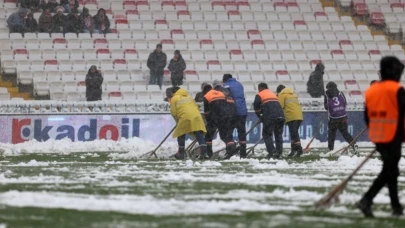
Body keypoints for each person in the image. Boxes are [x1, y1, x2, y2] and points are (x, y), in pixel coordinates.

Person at [357, 56, 405, 218]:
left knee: (391, 171)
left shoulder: (371, 91)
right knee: (389, 171)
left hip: (378, 137)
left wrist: (375, 134)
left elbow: (367, 116)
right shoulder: (396, 90)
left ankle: (396, 206)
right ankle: (367, 199)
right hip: (394, 136)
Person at [168, 87, 208, 160]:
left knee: (181, 134)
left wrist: (177, 121)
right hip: (196, 116)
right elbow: (196, 107)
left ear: (174, 92)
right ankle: (204, 153)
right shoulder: (189, 97)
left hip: (184, 117)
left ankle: (181, 153)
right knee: (199, 134)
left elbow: (173, 112)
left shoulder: (174, 98)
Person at [203, 84, 237, 159]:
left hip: (216, 116)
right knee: (224, 134)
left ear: (205, 91)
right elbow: (226, 104)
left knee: (208, 135)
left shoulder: (206, 96)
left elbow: (206, 113)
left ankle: (209, 153)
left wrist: (210, 122)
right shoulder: (221, 93)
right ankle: (232, 149)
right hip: (226, 115)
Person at [324, 82, 358, 154]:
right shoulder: (341, 93)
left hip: (333, 118)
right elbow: (345, 103)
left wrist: (332, 109)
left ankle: (331, 149)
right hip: (343, 117)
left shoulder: (326, 95)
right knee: (345, 133)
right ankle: (354, 144)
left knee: (331, 134)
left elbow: (326, 107)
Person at [254, 83, 285, 159]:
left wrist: (260, 117)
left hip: (270, 116)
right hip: (281, 115)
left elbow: (256, 107)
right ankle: (279, 152)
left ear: (260, 88)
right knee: (278, 134)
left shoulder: (260, 94)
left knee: (266, 134)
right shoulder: (272, 94)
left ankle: (272, 152)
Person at [223, 74, 248, 158]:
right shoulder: (239, 84)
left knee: (228, 131)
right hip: (242, 110)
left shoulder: (226, 86)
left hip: (233, 111)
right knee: (242, 132)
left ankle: (231, 151)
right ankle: (243, 152)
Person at [277, 85, 304, 157]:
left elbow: (280, 106)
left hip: (291, 116)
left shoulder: (281, 95)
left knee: (294, 133)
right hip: (299, 115)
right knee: (293, 133)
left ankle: (299, 149)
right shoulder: (292, 94)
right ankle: (293, 150)